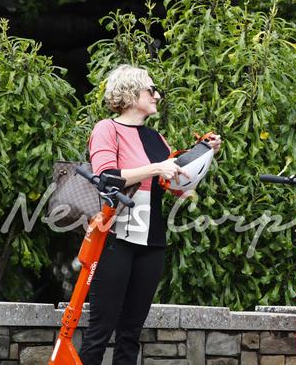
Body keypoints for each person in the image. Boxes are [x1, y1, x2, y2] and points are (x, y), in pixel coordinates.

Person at [79, 64, 221, 364]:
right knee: (99, 332)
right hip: (114, 238)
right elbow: (106, 177)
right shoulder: (108, 129)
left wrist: (203, 154)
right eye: (151, 89)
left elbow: (178, 188)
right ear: (131, 94)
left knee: (131, 334)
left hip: (152, 241)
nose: (157, 95)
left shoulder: (157, 139)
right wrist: (157, 167)